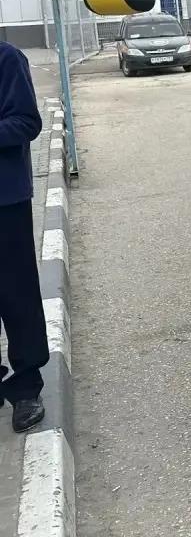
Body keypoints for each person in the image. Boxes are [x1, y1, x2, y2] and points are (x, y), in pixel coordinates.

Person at [0, 41, 48, 433]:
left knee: (17, 296)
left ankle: (26, 387)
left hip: (5, 201)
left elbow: (27, 122)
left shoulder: (7, 59)